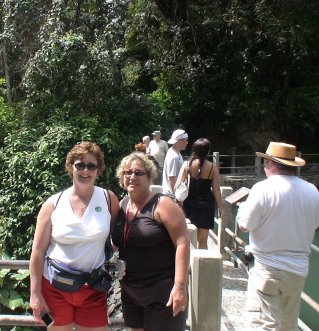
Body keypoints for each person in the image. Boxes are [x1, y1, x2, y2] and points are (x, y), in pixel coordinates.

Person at [29, 141, 120, 330]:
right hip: (55, 288)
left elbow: (115, 236)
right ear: (71, 167)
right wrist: (35, 294)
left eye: (91, 166)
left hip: (93, 288)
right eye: (80, 165)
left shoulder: (108, 199)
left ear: (98, 170)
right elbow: (38, 250)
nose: (85, 171)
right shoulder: (53, 203)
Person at [236, 142, 319, 331]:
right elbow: (315, 224)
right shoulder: (312, 190)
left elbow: (244, 225)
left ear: (271, 164)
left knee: (264, 324)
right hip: (298, 269)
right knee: (289, 323)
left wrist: (242, 211)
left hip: (267, 265)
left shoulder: (262, 189)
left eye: (266, 162)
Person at [112, 152, 190, 331]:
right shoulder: (121, 205)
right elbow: (115, 242)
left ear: (149, 176)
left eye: (139, 173)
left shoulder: (163, 204)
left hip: (161, 290)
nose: (132, 177)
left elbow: (182, 243)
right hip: (130, 289)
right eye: (127, 172)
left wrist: (180, 285)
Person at [175, 138, 224, 249]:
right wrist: (221, 208)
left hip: (189, 204)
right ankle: (201, 264)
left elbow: (177, 186)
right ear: (208, 151)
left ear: (194, 150)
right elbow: (216, 189)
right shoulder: (213, 167)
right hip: (206, 205)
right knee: (202, 240)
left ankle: (187, 264)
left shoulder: (187, 164)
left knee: (186, 238)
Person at [162, 129, 189, 199]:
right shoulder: (174, 156)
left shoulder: (176, 153)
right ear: (180, 141)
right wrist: (177, 196)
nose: (187, 143)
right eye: (186, 140)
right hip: (171, 196)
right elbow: (171, 178)